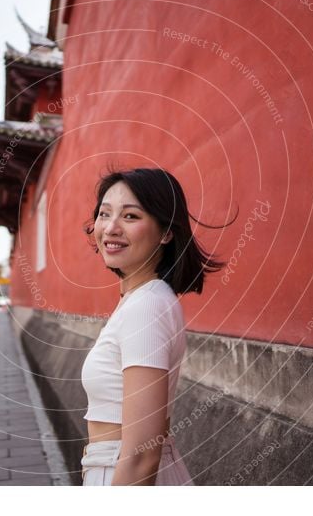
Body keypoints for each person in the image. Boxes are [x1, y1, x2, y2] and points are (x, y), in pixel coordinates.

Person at [80, 167, 236, 485]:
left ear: (166, 232)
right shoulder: (140, 300)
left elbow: (142, 456)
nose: (110, 228)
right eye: (104, 214)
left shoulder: (147, 306)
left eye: (131, 216)